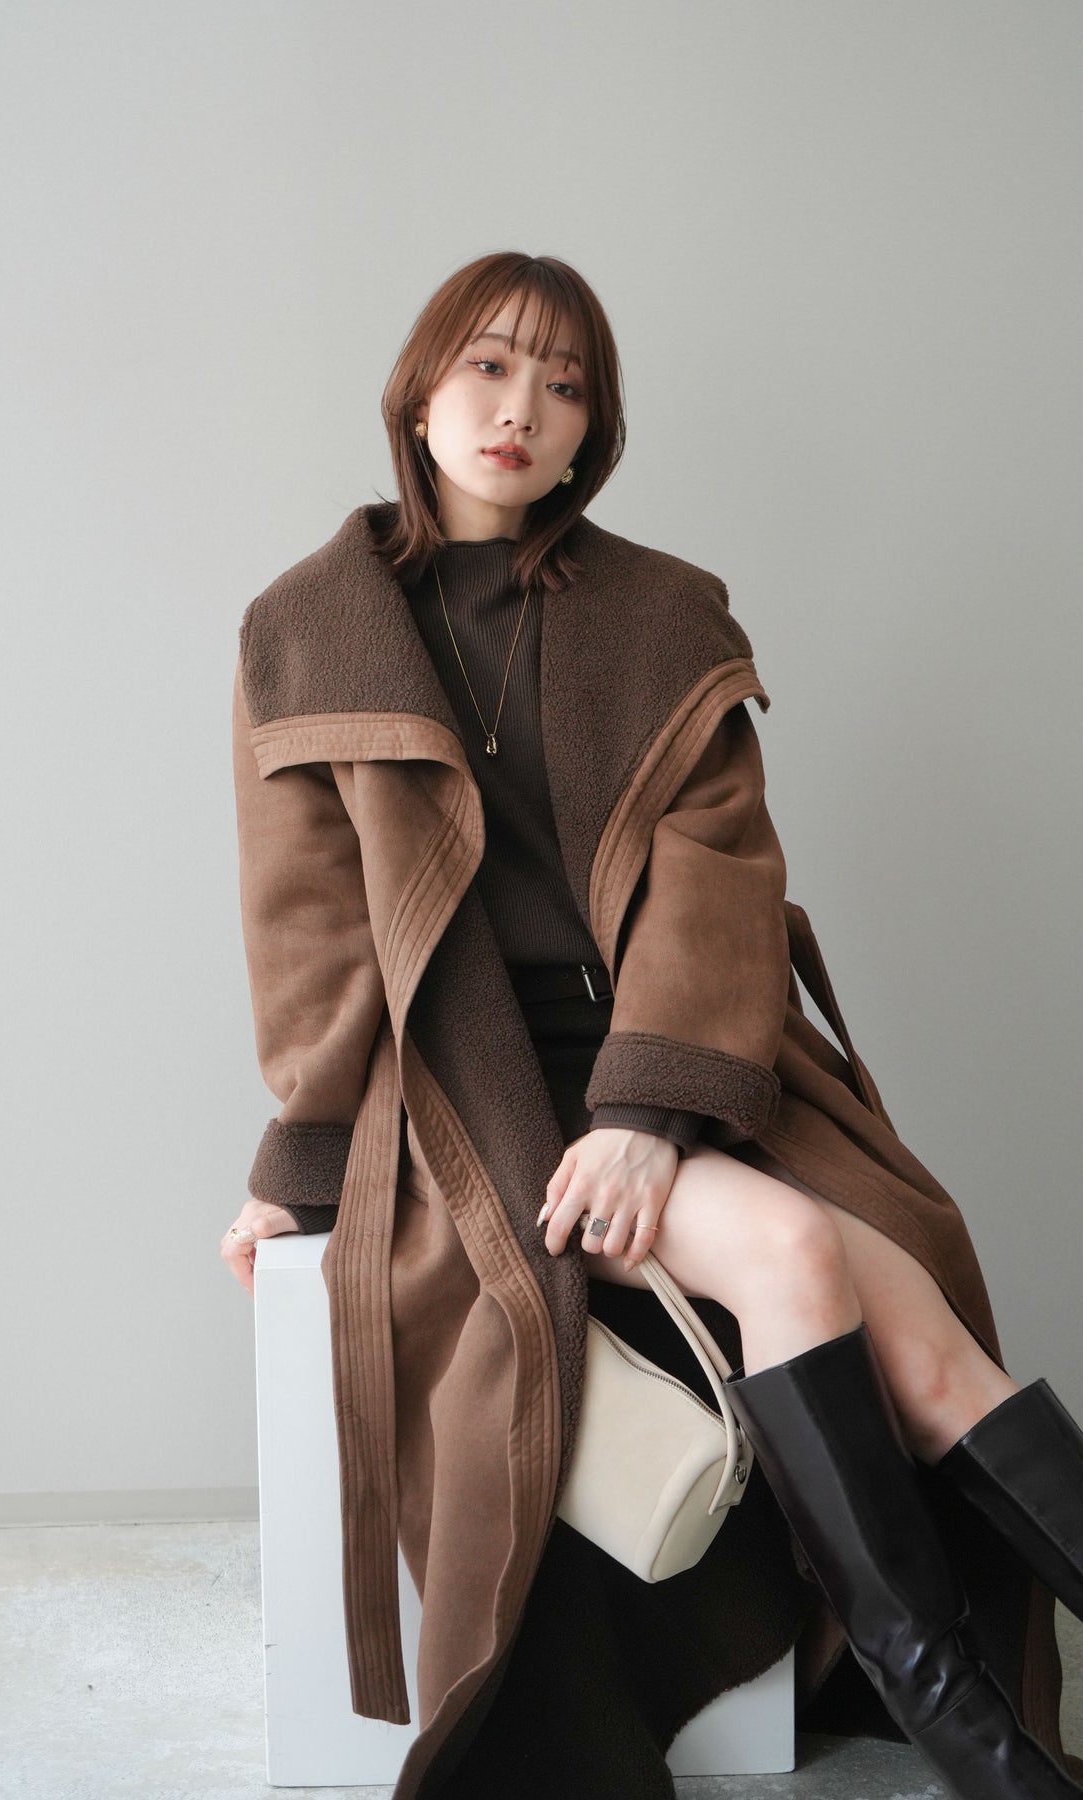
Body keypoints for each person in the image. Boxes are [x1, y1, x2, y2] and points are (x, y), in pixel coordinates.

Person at [223, 250, 1083, 1799]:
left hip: (679, 1061)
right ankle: (973, 1743)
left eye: (563, 388)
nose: (520, 410)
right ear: (418, 395)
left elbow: (716, 880)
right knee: (795, 1251)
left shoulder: (660, 613)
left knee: (931, 1348)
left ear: (590, 434)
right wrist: (300, 1169)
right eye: (488, 367)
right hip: (474, 1098)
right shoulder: (306, 629)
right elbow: (314, 942)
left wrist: (645, 1109)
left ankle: (985, 1747)